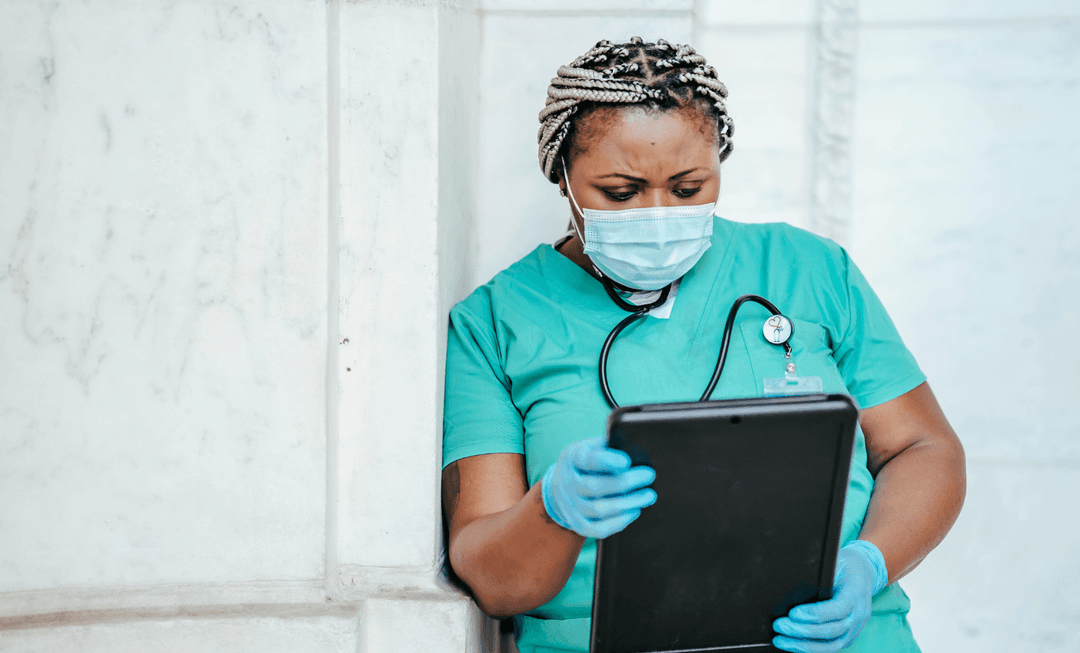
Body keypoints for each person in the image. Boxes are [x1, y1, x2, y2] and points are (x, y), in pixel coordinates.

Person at [441, 37, 966, 653]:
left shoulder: (808, 269)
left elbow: (922, 447)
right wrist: (551, 510)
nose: (658, 214)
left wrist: (869, 563)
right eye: (621, 192)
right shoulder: (498, 321)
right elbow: (494, 582)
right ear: (562, 177)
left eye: (688, 188)